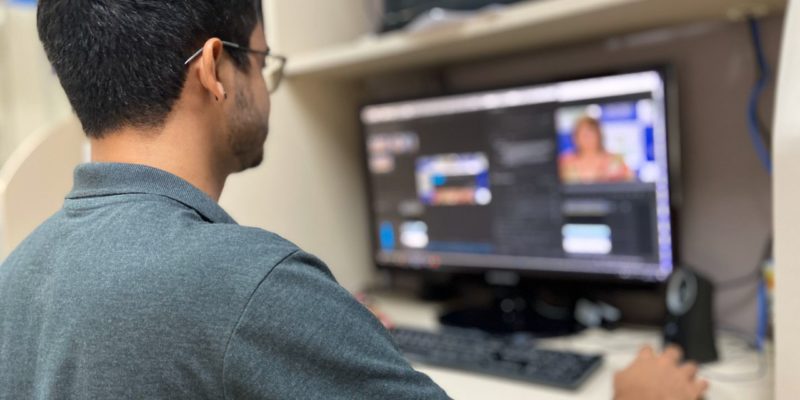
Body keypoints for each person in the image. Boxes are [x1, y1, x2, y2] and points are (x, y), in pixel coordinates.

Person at [0, 1, 708, 399]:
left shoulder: (17, 276)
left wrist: (328, 332)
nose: (266, 88)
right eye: (262, 61)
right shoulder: (249, 284)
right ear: (215, 68)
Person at [560, 116, 635, 184]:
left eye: (591, 134)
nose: (587, 138)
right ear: (575, 138)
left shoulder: (615, 160)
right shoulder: (566, 162)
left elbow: (631, 183)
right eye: (583, 134)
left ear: (599, 136)